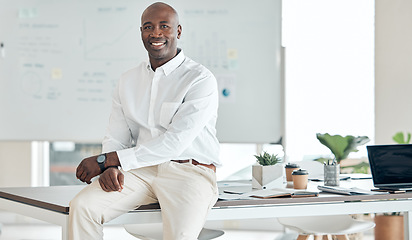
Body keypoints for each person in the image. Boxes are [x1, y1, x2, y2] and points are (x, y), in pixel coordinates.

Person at [69, 2, 221, 239]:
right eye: (148, 27)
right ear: (141, 32)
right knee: (82, 207)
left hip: (190, 173)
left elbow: (174, 143)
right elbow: (116, 135)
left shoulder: (200, 80)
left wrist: (104, 160)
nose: (156, 33)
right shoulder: (128, 80)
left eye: (164, 26)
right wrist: (110, 166)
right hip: (140, 171)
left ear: (178, 31)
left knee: (180, 235)